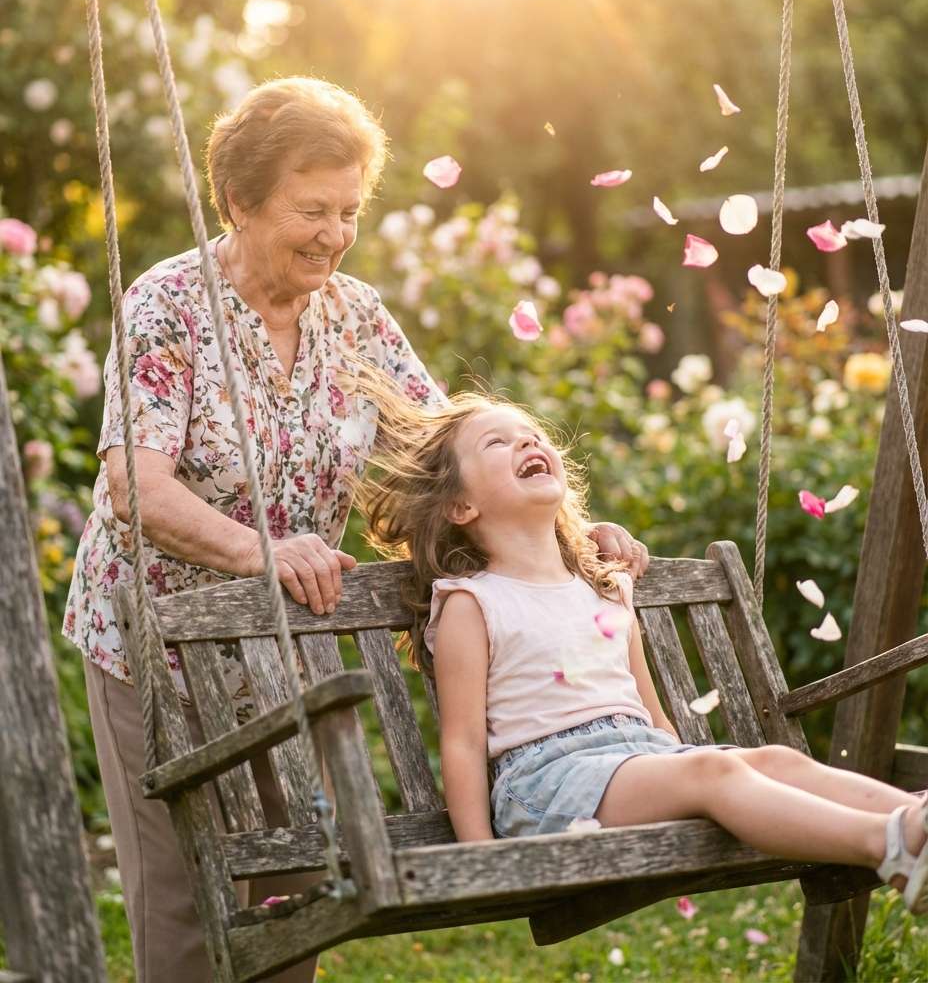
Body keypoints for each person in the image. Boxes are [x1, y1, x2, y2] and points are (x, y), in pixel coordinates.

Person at [62, 76, 651, 983]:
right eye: (311, 211)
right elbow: (134, 489)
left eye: (348, 211)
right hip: (157, 640)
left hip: (287, 637)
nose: (333, 235)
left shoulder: (355, 315)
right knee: (183, 897)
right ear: (238, 200)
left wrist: (570, 529)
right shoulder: (169, 305)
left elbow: (446, 452)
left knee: (302, 886)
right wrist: (262, 552)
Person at [356, 378, 928, 916]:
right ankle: (892, 846)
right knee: (714, 772)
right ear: (461, 507)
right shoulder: (472, 603)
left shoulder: (604, 590)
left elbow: (648, 711)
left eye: (529, 434)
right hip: (546, 786)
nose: (526, 441)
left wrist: (672, 769)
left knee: (774, 761)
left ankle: (913, 819)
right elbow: (462, 742)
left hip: (635, 759)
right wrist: (483, 860)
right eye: (496, 443)